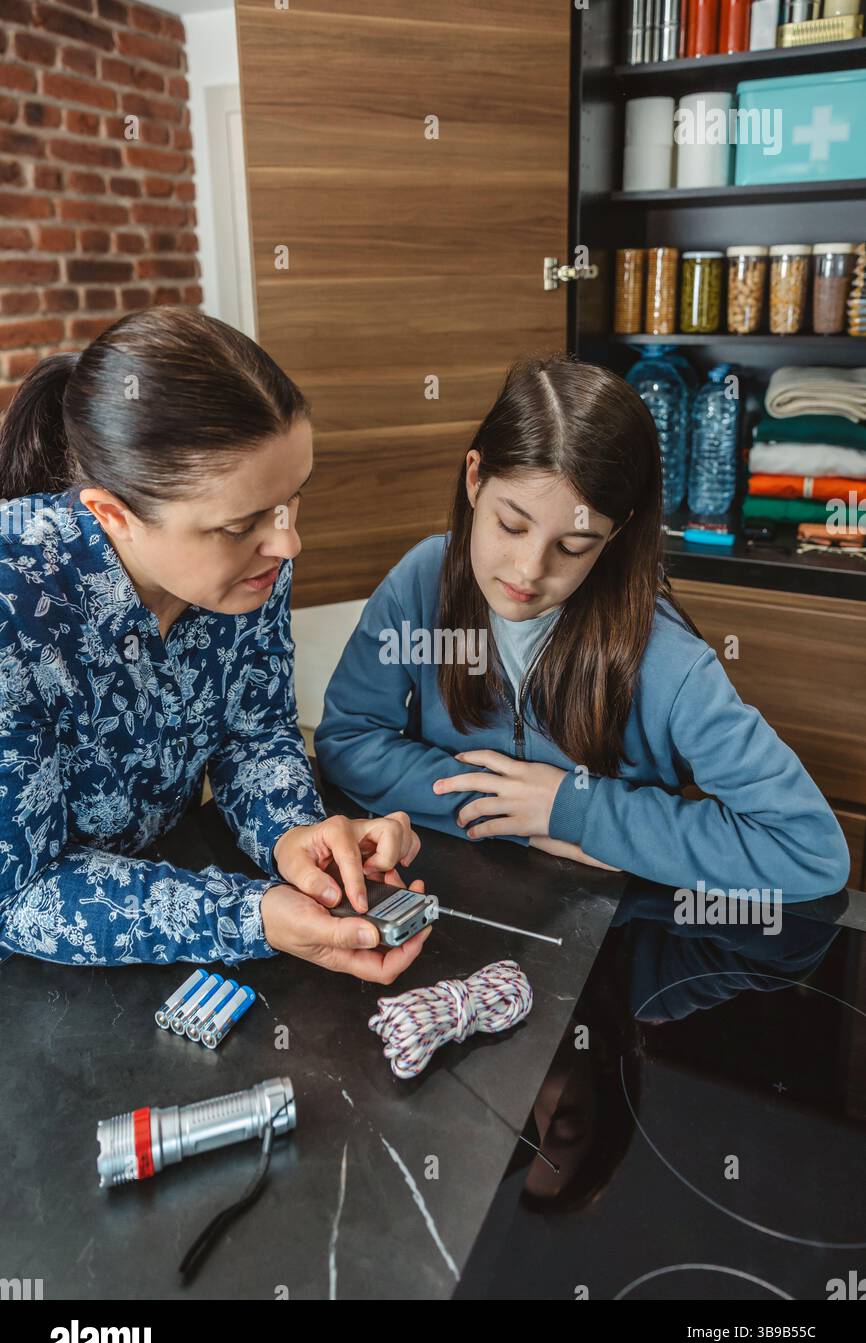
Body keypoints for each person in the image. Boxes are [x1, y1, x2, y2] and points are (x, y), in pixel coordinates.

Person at [315, 354, 849, 902]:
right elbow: (347, 739)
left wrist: (572, 810)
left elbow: (808, 851)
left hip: (612, 936)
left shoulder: (667, 660)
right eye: (511, 524)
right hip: (451, 897)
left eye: (572, 547)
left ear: (616, 534)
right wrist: (517, 816)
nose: (528, 571)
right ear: (475, 478)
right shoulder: (422, 580)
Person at [0, 307, 430, 978]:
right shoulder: (12, 602)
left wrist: (293, 834)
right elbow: (19, 895)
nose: (288, 543)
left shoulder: (256, 557)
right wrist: (252, 915)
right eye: (241, 524)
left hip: (155, 905)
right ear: (113, 515)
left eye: (292, 500)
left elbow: (254, 732)